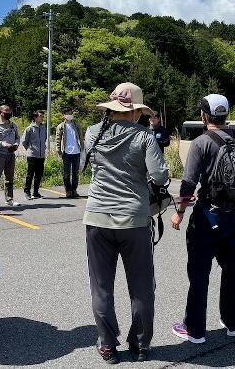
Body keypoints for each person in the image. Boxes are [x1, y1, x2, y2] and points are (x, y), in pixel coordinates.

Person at [83, 83, 168, 364]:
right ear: (135, 112)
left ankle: (107, 345)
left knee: (101, 285)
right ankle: (141, 344)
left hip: (97, 217)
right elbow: (159, 176)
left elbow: (90, 164)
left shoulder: (93, 132)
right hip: (134, 219)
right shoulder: (144, 136)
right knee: (142, 285)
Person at [171, 94, 235, 344]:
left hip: (206, 217)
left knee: (199, 273)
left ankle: (195, 330)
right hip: (234, 217)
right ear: (226, 115)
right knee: (233, 269)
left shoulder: (201, 143)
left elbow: (188, 183)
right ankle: (233, 324)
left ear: (203, 116)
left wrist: (180, 212)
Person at [0, 104, 20, 208]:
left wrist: (16, 144)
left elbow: (17, 138)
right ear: (0, 113)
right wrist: (2, 144)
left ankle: (9, 199)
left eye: (9, 111)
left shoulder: (13, 125)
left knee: (10, 179)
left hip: (11, 155)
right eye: (6, 111)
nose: (8, 113)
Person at [56, 107, 84, 198]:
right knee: (66, 173)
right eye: (68, 113)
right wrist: (59, 150)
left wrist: (82, 148)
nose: (70, 115)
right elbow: (58, 139)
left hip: (76, 152)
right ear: (64, 115)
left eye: (71, 113)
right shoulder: (61, 126)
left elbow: (80, 137)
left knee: (75, 173)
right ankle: (68, 190)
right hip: (66, 153)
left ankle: (74, 190)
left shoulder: (76, 125)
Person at [22, 111, 47, 200]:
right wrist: (30, 150)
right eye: (40, 116)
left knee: (39, 175)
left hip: (41, 156)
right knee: (30, 174)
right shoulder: (29, 129)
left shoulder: (44, 128)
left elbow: (44, 140)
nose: (42, 118)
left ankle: (35, 192)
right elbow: (24, 142)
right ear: (35, 118)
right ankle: (27, 191)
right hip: (32, 155)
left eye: (43, 116)